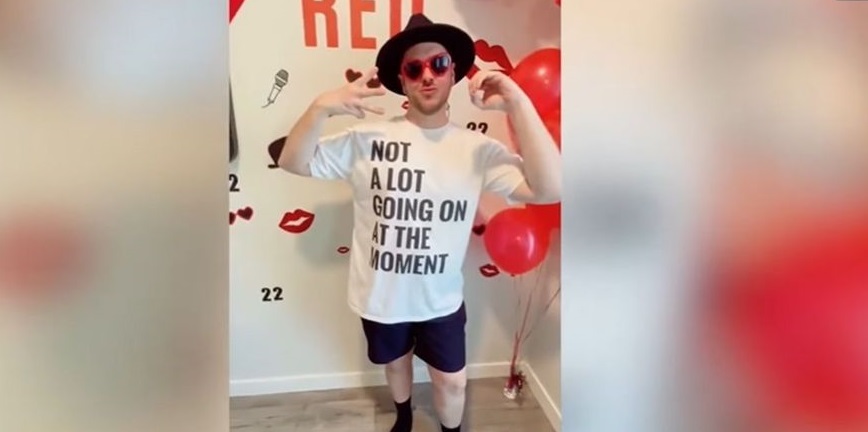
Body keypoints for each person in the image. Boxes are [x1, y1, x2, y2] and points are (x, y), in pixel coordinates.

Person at [278, 13, 561, 432]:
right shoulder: (367, 139)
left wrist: (518, 102)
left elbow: (551, 188)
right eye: (415, 68)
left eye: (438, 64)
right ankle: (404, 417)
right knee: (396, 365)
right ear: (402, 80)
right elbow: (293, 161)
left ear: (453, 73)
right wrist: (321, 107)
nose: (427, 75)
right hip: (381, 296)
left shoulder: (476, 149)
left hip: (440, 301)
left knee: (452, 382)